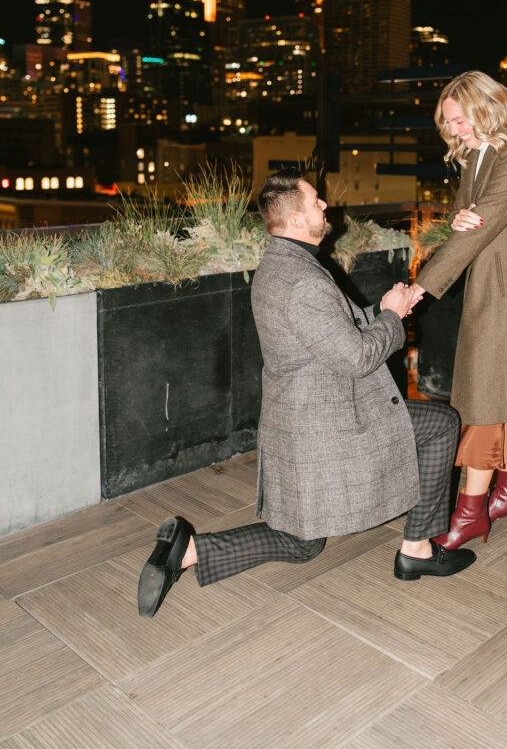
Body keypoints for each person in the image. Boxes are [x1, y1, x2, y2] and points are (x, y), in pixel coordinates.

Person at [138, 170, 475, 617]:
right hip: (329, 423)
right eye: (315, 202)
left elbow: (333, 330)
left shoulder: (285, 263)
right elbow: (356, 358)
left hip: (300, 418)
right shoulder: (303, 281)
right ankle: (416, 550)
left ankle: (188, 551)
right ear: (296, 219)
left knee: (303, 543)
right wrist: (392, 320)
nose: (324, 207)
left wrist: (384, 308)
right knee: (440, 426)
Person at [410, 71, 507, 549]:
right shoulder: (479, 154)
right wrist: (457, 215)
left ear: (486, 107)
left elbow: (479, 229)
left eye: (459, 120)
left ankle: (471, 510)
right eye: (448, 124)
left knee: (485, 395)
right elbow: (468, 217)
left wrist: (419, 289)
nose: (454, 131)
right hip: (497, 283)